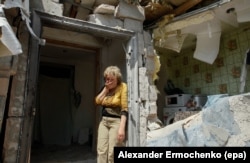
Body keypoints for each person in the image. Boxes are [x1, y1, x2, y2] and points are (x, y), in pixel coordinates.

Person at [95, 65, 128, 163]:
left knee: (112, 153)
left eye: (111, 79)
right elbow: (97, 101)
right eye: (106, 79)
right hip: (104, 122)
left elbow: (124, 109)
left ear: (117, 79)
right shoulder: (105, 88)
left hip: (116, 122)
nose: (108, 81)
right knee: (101, 150)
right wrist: (106, 90)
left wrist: (122, 128)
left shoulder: (123, 87)